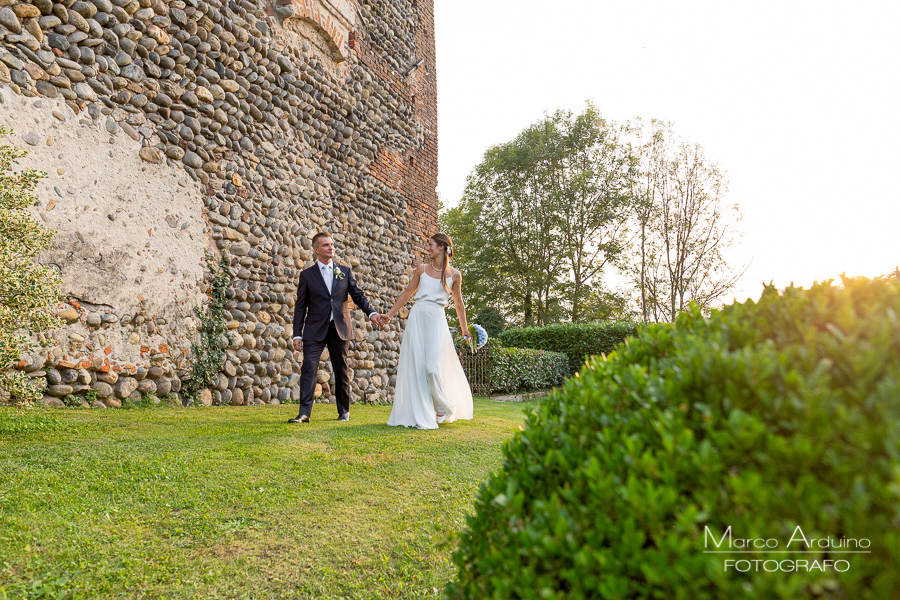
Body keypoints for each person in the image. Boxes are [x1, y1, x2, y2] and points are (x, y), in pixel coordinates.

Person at [289, 232, 384, 423]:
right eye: (325, 245)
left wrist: (372, 313)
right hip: (314, 329)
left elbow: (358, 295)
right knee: (309, 368)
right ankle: (304, 413)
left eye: (331, 244)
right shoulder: (306, 275)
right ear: (316, 249)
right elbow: (300, 307)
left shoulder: (345, 271)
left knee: (341, 370)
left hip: (339, 327)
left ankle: (344, 411)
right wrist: (296, 335)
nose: (330, 247)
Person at [383, 233, 474, 429]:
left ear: (442, 247)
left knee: (432, 367)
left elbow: (459, 304)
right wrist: (389, 315)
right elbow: (407, 293)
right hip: (417, 316)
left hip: (437, 319)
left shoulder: (455, 275)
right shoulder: (421, 269)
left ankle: (441, 404)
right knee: (416, 366)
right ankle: (428, 408)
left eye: (431, 245)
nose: (428, 248)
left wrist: (464, 329)